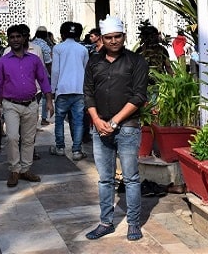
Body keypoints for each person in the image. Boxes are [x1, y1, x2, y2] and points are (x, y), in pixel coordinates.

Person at [83, 15, 149, 241]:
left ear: (124, 36)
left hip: (127, 127)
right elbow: (88, 93)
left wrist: (114, 122)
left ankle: (133, 223)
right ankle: (105, 222)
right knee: (104, 179)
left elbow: (139, 95)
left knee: (130, 177)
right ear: (101, 38)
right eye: (108, 37)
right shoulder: (94, 62)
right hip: (100, 127)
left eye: (117, 37)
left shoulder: (136, 61)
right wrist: (97, 120)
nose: (113, 41)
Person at [0, 25, 53, 188]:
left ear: (24, 38)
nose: (15, 40)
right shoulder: (2, 61)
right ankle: (14, 169)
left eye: (18, 36)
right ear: (9, 40)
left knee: (28, 139)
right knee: (12, 137)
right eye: (12, 37)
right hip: (10, 105)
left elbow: (43, 80)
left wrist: (49, 100)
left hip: (31, 104)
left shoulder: (33, 59)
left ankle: (25, 169)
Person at [49, 22, 89, 160]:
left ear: (62, 34)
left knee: (59, 120)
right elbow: (86, 69)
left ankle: (60, 147)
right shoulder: (83, 49)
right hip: (79, 89)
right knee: (78, 121)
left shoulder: (58, 48)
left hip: (62, 89)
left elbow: (55, 71)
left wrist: (53, 89)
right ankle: (77, 151)